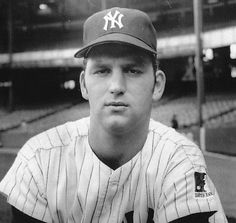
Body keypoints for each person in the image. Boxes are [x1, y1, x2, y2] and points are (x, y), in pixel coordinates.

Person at [0, 7, 228, 223]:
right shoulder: (38, 160)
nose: (116, 86)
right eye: (102, 71)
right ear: (84, 85)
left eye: (132, 70)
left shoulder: (180, 160)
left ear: (157, 85)